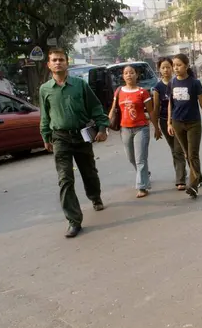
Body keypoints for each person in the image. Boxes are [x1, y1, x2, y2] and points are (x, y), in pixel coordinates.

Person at [39, 48, 109, 238]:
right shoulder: (45, 89)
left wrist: (102, 128)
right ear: (49, 64)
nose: (58, 62)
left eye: (61, 59)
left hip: (81, 135)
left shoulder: (80, 85)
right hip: (60, 138)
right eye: (54, 60)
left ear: (67, 63)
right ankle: (74, 220)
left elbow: (95, 107)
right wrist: (46, 136)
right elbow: (45, 116)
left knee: (89, 172)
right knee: (65, 179)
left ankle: (95, 197)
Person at [167, 54, 202, 198]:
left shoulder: (195, 83)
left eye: (179, 65)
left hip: (193, 123)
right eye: (174, 65)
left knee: (192, 153)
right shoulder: (172, 83)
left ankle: (193, 186)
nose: (176, 68)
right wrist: (169, 122)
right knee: (187, 154)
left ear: (187, 66)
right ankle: (198, 176)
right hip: (177, 123)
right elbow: (171, 103)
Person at [110, 65, 160, 198]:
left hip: (141, 128)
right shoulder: (119, 91)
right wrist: (106, 125)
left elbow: (151, 111)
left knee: (140, 159)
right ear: (123, 76)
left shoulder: (142, 92)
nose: (129, 75)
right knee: (131, 158)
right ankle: (144, 174)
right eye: (126, 73)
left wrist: (157, 128)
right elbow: (114, 109)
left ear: (136, 75)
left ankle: (142, 187)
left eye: (131, 73)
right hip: (125, 129)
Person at [152, 57, 187, 190]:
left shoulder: (179, 82)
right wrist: (156, 127)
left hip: (181, 120)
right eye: (163, 67)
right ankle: (181, 176)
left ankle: (184, 177)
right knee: (175, 149)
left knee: (181, 149)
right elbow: (156, 108)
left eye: (168, 67)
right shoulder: (157, 87)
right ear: (159, 70)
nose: (166, 70)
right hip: (164, 121)